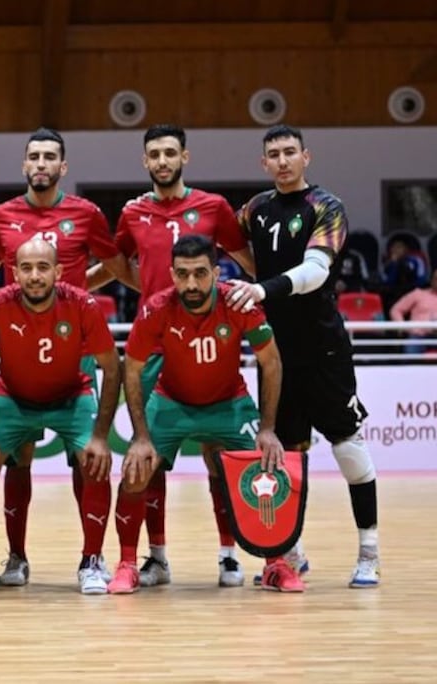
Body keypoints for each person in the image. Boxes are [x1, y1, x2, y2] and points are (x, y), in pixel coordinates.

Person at [99, 124, 258, 589]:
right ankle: (157, 557)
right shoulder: (133, 213)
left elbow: (248, 261)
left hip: (208, 336)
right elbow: (116, 265)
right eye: (154, 154)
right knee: (149, 457)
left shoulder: (213, 207)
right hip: (156, 344)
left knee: (217, 456)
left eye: (170, 152)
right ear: (145, 161)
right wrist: (147, 291)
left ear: (184, 157)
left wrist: (272, 290)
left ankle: (230, 554)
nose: (162, 160)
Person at [0, 127, 136, 587]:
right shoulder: (3, 214)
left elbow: (117, 266)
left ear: (62, 167)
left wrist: (154, 293)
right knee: (14, 459)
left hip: (74, 351)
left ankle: (92, 560)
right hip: (18, 351)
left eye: (50, 157)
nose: (41, 164)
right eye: (34, 157)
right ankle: (15, 558)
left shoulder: (84, 213)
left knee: (86, 460)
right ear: (24, 166)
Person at [227, 125, 380, 588]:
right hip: (275, 352)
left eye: (290, 152)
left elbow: (316, 271)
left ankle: (368, 552)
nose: (282, 160)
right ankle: (291, 553)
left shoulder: (326, 207)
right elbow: (225, 237)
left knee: (348, 446)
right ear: (263, 163)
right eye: (273, 154)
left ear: (306, 157)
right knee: (286, 455)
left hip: (323, 348)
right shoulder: (254, 208)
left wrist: (261, 287)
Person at [113, 234, 300, 593]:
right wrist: (140, 436)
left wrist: (268, 427)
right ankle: (127, 564)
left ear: (216, 272)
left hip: (228, 402)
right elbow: (132, 368)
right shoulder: (157, 307)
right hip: (171, 401)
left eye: (200, 273)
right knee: (136, 469)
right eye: (182, 274)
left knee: (267, 463)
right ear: (171, 273)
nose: (191, 283)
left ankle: (272, 563)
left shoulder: (239, 303)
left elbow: (271, 362)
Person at [0, 237, 121, 594]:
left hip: (72, 397)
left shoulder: (82, 304)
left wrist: (100, 436)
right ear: (14, 273)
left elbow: (112, 368)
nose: (34, 275)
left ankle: (92, 560)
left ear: (58, 271)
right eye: (26, 268)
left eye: (42, 267)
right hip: (14, 399)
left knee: (95, 461)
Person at [390, 270, 437, 353]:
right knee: (410, 355)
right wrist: (402, 326)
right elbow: (396, 310)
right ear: (432, 280)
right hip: (419, 335)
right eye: (436, 279)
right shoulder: (418, 294)